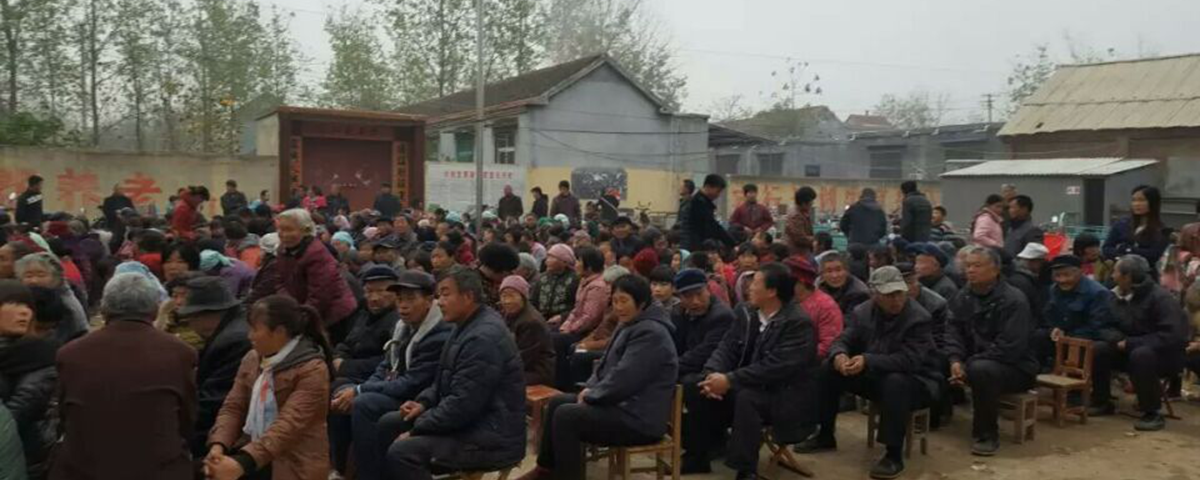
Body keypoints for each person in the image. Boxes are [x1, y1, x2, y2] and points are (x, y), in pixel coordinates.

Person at [520, 275, 678, 480]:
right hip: (620, 405)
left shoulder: (652, 333)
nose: (619, 307)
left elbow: (626, 377)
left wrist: (592, 396)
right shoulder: (629, 323)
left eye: (624, 301)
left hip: (638, 418)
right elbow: (605, 365)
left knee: (567, 416)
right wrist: (590, 388)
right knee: (557, 402)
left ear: (641, 303)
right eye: (615, 301)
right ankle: (546, 469)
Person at [798, 266, 940, 480]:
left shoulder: (918, 318)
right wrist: (840, 355)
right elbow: (843, 339)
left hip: (917, 380)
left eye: (899, 293)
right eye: (888, 295)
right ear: (875, 294)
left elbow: (910, 360)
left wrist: (867, 360)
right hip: (876, 373)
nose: (895, 300)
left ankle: (893, 454)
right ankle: (825, 434)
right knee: (828, 369)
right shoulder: (863, 312)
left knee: (895, 382)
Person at [383, 269, 526, 479]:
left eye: (445, 294)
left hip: (493, 437)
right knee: (389, 423)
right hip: (471, 422)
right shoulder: (463, 325)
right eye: (438, 295)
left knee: (403, 453)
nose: (439, 302)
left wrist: (416, 430)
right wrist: (423, 403)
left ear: (468, 296)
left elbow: (463, 405)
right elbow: (443, 380)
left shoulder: (482, 338)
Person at [53, 273, 197, 479]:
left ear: (104, 308)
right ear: (155, 309)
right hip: (160, 470)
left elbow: (64, 416)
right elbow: (187, 419)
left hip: (84, 469)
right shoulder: (180, 353)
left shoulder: (70, 354)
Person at [688, 263, 816, 479]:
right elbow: (727, 346)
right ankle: (698, 456)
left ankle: (745, 469)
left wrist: (729, 380)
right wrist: (712, 373)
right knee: (696, 384)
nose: (749, 288)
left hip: (784, 394)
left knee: (748, 398)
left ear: (772, 291)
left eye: (755, 283)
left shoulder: (797, 323)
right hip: (747, 382)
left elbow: (775, 367)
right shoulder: (746, 311)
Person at [332, 271, 451, 480]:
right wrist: (359, 389)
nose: (403, 306)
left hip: (420, 398)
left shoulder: (438, 333)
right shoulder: (402, 326)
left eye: (410, 299)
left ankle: (370, 475)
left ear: (429, 300)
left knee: (365, 404)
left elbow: (412, 383)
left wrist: (360, 390)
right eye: (400, 299)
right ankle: (339, 469)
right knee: (341, 393)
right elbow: (386, 365)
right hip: (398, 388)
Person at [206, 295, 333, 480]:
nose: (249, 336)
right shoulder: (252, 358)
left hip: (293, 463)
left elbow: (289, 425)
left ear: (279, 332)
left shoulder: (313, 369)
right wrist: (219, 445)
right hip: (250, 451)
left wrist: (243, 463)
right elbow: (234, 406)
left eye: (255, 329)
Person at [945, 246, 1037, 456]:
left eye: (977, 266)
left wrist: (967, 365)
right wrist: (955, 360)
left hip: (1015, 366)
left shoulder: (1014, 300)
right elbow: (953, 331)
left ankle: (986, 435)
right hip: (974, 360)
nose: (970, 270)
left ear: (995, 270)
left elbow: (1010, 347)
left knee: (982, 370)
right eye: (968, 266)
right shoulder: (963, 296)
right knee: (937, 355)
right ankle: (940, 414)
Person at [1092, 255, 1189, 430]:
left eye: (1115, 272)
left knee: (1141, 355)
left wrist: (1131, 343)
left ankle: (1152, 412)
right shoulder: (1115, 295)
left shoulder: (1161, 299)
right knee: (1099, 349)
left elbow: (1171, 336)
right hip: (1127, 349)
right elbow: (1103, 325)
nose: (1112, 275)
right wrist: (1117, 339)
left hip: (1164, 357)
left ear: (1127, 277)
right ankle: (1102, 401)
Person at [174, 276, 252, 456]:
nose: (191, 325)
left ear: (205, 315)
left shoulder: (233, 342)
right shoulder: (236, 329)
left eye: (190, 318)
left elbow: (214, 400)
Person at [273, 209, 357, 343]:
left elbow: (320, 295)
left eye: (288, 229)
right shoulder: (282, 250)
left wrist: (299, 319)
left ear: (305, 230)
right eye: (280, 229)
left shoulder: (316, 253)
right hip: (302, 310)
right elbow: (279, 280)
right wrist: (288, 306)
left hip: (333, 315)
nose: (282, 234)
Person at [0, 281, 57, 477]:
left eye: (27, 305)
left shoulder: (41, 356)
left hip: (27, 460)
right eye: (14, 303)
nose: (24, 312)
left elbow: (16, 414)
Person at [1037, 255, 1117, 375]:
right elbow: (1048, 315)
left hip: (1088, 337)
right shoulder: (1054, 289)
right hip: (1063, 335)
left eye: (1067, 275)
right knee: (1039, 336)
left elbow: (1098, 325)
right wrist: (1054, 328)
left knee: (1087, 345)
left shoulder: (1098, 293)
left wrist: (1068, 336)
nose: (1062, 280)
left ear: (1080, 272)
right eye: (1057, 276)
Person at [548, 246, 610, 389]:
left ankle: (562, 384)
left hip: (588, 332)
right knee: (548, 331)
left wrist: (570, 330)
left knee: (556, 340)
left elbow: (590, 318)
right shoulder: (584, 282)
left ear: (589, 266)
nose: (575, 264)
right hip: (576, 327)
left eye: (579, 261)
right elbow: (576, 310)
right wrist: (565, 326)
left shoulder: (597, 287)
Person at [333, 266, 402, 385]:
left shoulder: (399, 321)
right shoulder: (363, 314)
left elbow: (390, 361)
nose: (374, 298)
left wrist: (346, 366)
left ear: (396, 293)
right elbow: (348, 343)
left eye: (381, 291)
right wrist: (337, 358)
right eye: (369, 291)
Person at [671, 268, 734, 382]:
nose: (695, 301)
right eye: (688, 296)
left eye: (699, 294)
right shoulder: (677, 313)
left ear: (708, 290)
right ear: (679, 298)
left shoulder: (721, 316)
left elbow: (703, 355)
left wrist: (668, 366)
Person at [15, 253, 88, 344]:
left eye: (41, 275)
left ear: (55, 278)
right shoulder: (18, 301)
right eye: (28, 276)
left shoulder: (67, 304)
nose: (34, 281)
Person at [498, 275, 556, 386]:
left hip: (535, 372)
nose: (507, 301)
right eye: (504, 296)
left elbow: (525, 358)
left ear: (523, 297)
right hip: (515, 365)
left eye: (512, 296)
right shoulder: (507, 315)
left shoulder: (531, 322)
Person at [785, 255, 843, 359]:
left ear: (800, 282)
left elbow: (828, 344)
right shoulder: (784, 300)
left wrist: (793, 356)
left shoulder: (825, 306)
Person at [1103, 185, 1170, 270]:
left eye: (1142, 200)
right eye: (1134, 200)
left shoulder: (1162, 230)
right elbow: (1106, 248)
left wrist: (1126, 249)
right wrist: (1123, 256)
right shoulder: (1122, 223)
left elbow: (1153, 255)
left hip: (1145, 274)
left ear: (1153, 202)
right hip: (1119, 272)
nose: (1137, 204)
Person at [680, 174, 735, 251]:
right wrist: (732, 243)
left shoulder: (701, 201)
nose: (718, 195)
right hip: (692, 246)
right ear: (708, 186)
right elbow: (712, 227)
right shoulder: (698, 203)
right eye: (718, 191)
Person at [531, 244, 579, 321]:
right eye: (547, 257)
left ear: (564, 262)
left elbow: (578, 306)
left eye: (551, 257)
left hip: (564, 321)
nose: (546, 261)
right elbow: (533, 301)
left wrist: (563, 317)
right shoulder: (542, 278)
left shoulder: (575, 279)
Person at [786, 186, 817, 254]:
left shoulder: (802, 212)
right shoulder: (796, 216)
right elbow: (800, 239)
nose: (812, 204)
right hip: (797, 252)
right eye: (811, 201)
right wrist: (817, 239)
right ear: (803, 203)